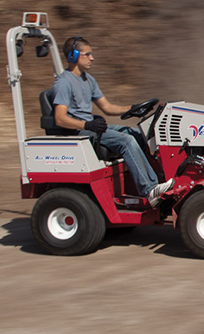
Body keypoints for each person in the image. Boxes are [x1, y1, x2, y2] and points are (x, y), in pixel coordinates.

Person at [51, 36, 173, 206]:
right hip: (79, 132)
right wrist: (87, 125)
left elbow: (107, 107)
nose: (92, 58)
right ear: (73, 56)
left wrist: (133, 107)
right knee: (126, 141)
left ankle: (159, 179)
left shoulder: (88, 79)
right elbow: (60, 118)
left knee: (138, 134)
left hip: (91, 128)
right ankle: (149, 189)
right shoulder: (64, 83)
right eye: (88, 54)